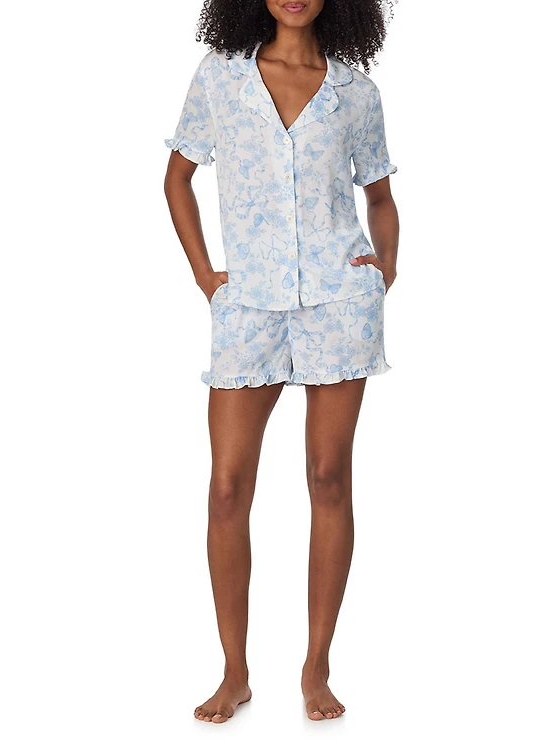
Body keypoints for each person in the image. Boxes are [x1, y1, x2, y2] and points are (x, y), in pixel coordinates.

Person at [163, 0, 399, 724]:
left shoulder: (355, 90)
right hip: (249, 305)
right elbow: (177, 178)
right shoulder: (221, 76)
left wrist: (383, 271)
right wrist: (207, 278)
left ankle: (316, 666)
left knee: (329, 478)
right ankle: (234, 672)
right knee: (227, 488)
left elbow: (381, 195)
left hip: (339, 302)